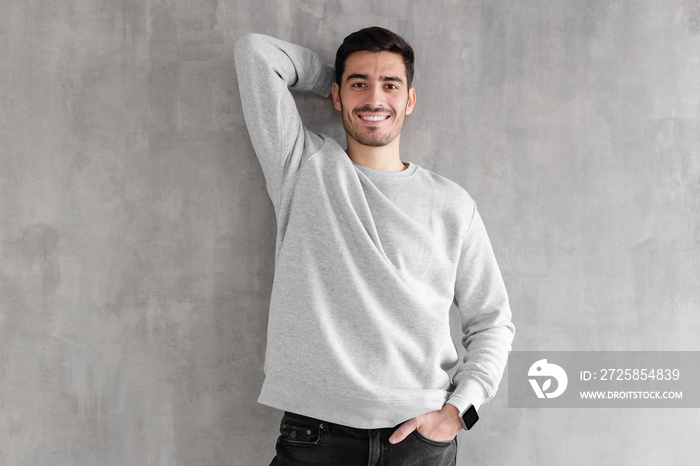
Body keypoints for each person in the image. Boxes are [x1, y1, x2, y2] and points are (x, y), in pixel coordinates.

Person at [234, 26, 515, 465]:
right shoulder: (303, 167)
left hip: (420, 439)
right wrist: (339, 79)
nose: (374, 99)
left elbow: (492, 322)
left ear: (410, 100)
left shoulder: (452, 204)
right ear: (337, 95)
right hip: (316, 434)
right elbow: (256, 54)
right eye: (359, 84)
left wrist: (460, 413)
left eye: (391, 85)